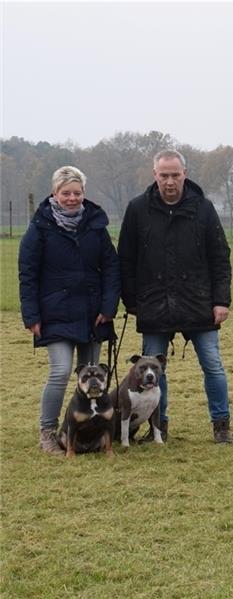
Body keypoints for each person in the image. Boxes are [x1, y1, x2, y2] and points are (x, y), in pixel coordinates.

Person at [117, 149, 233, 443]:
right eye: (164, 175)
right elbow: (126, 260)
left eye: (175, 175)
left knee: (213, 366)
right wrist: (132, 301)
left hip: (199, 303)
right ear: (154, 175)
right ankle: (160, 428)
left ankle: (221, 426)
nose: (170, 181)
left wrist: (221, 300)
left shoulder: (204, 208)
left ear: (185, 174)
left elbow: (220, 256)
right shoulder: (137, 209)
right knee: (153, 371)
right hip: (154, 305)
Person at [18, 166, 120, 456]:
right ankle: (48, 432)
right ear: (55, 193)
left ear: (84, 194)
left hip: (93, 314)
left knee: (94, 376)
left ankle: (95, 430)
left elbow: (111, 267)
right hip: (55, 313)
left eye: (77, 193)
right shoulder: (39, 228)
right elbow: (27, 273)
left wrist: (109, 306)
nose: (72, 198)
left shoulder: (96, 226)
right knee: (62, 371)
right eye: (66, 193)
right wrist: (32, 316)